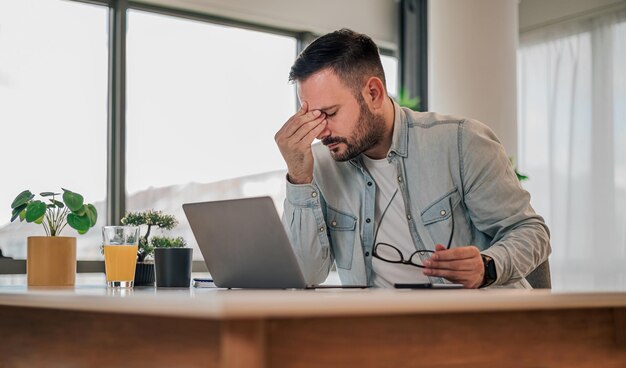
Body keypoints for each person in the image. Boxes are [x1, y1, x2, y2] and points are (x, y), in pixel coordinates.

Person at [274, 29, 550, 289]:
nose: (319, 131)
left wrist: (487, 267)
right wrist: (299, 178)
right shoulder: (321, 166)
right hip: (384, 329)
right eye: (311, 117)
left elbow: (531, 231)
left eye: (330, 113)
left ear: (373, 93)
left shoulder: (460, 141)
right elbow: (307, 274)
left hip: (474, 324)